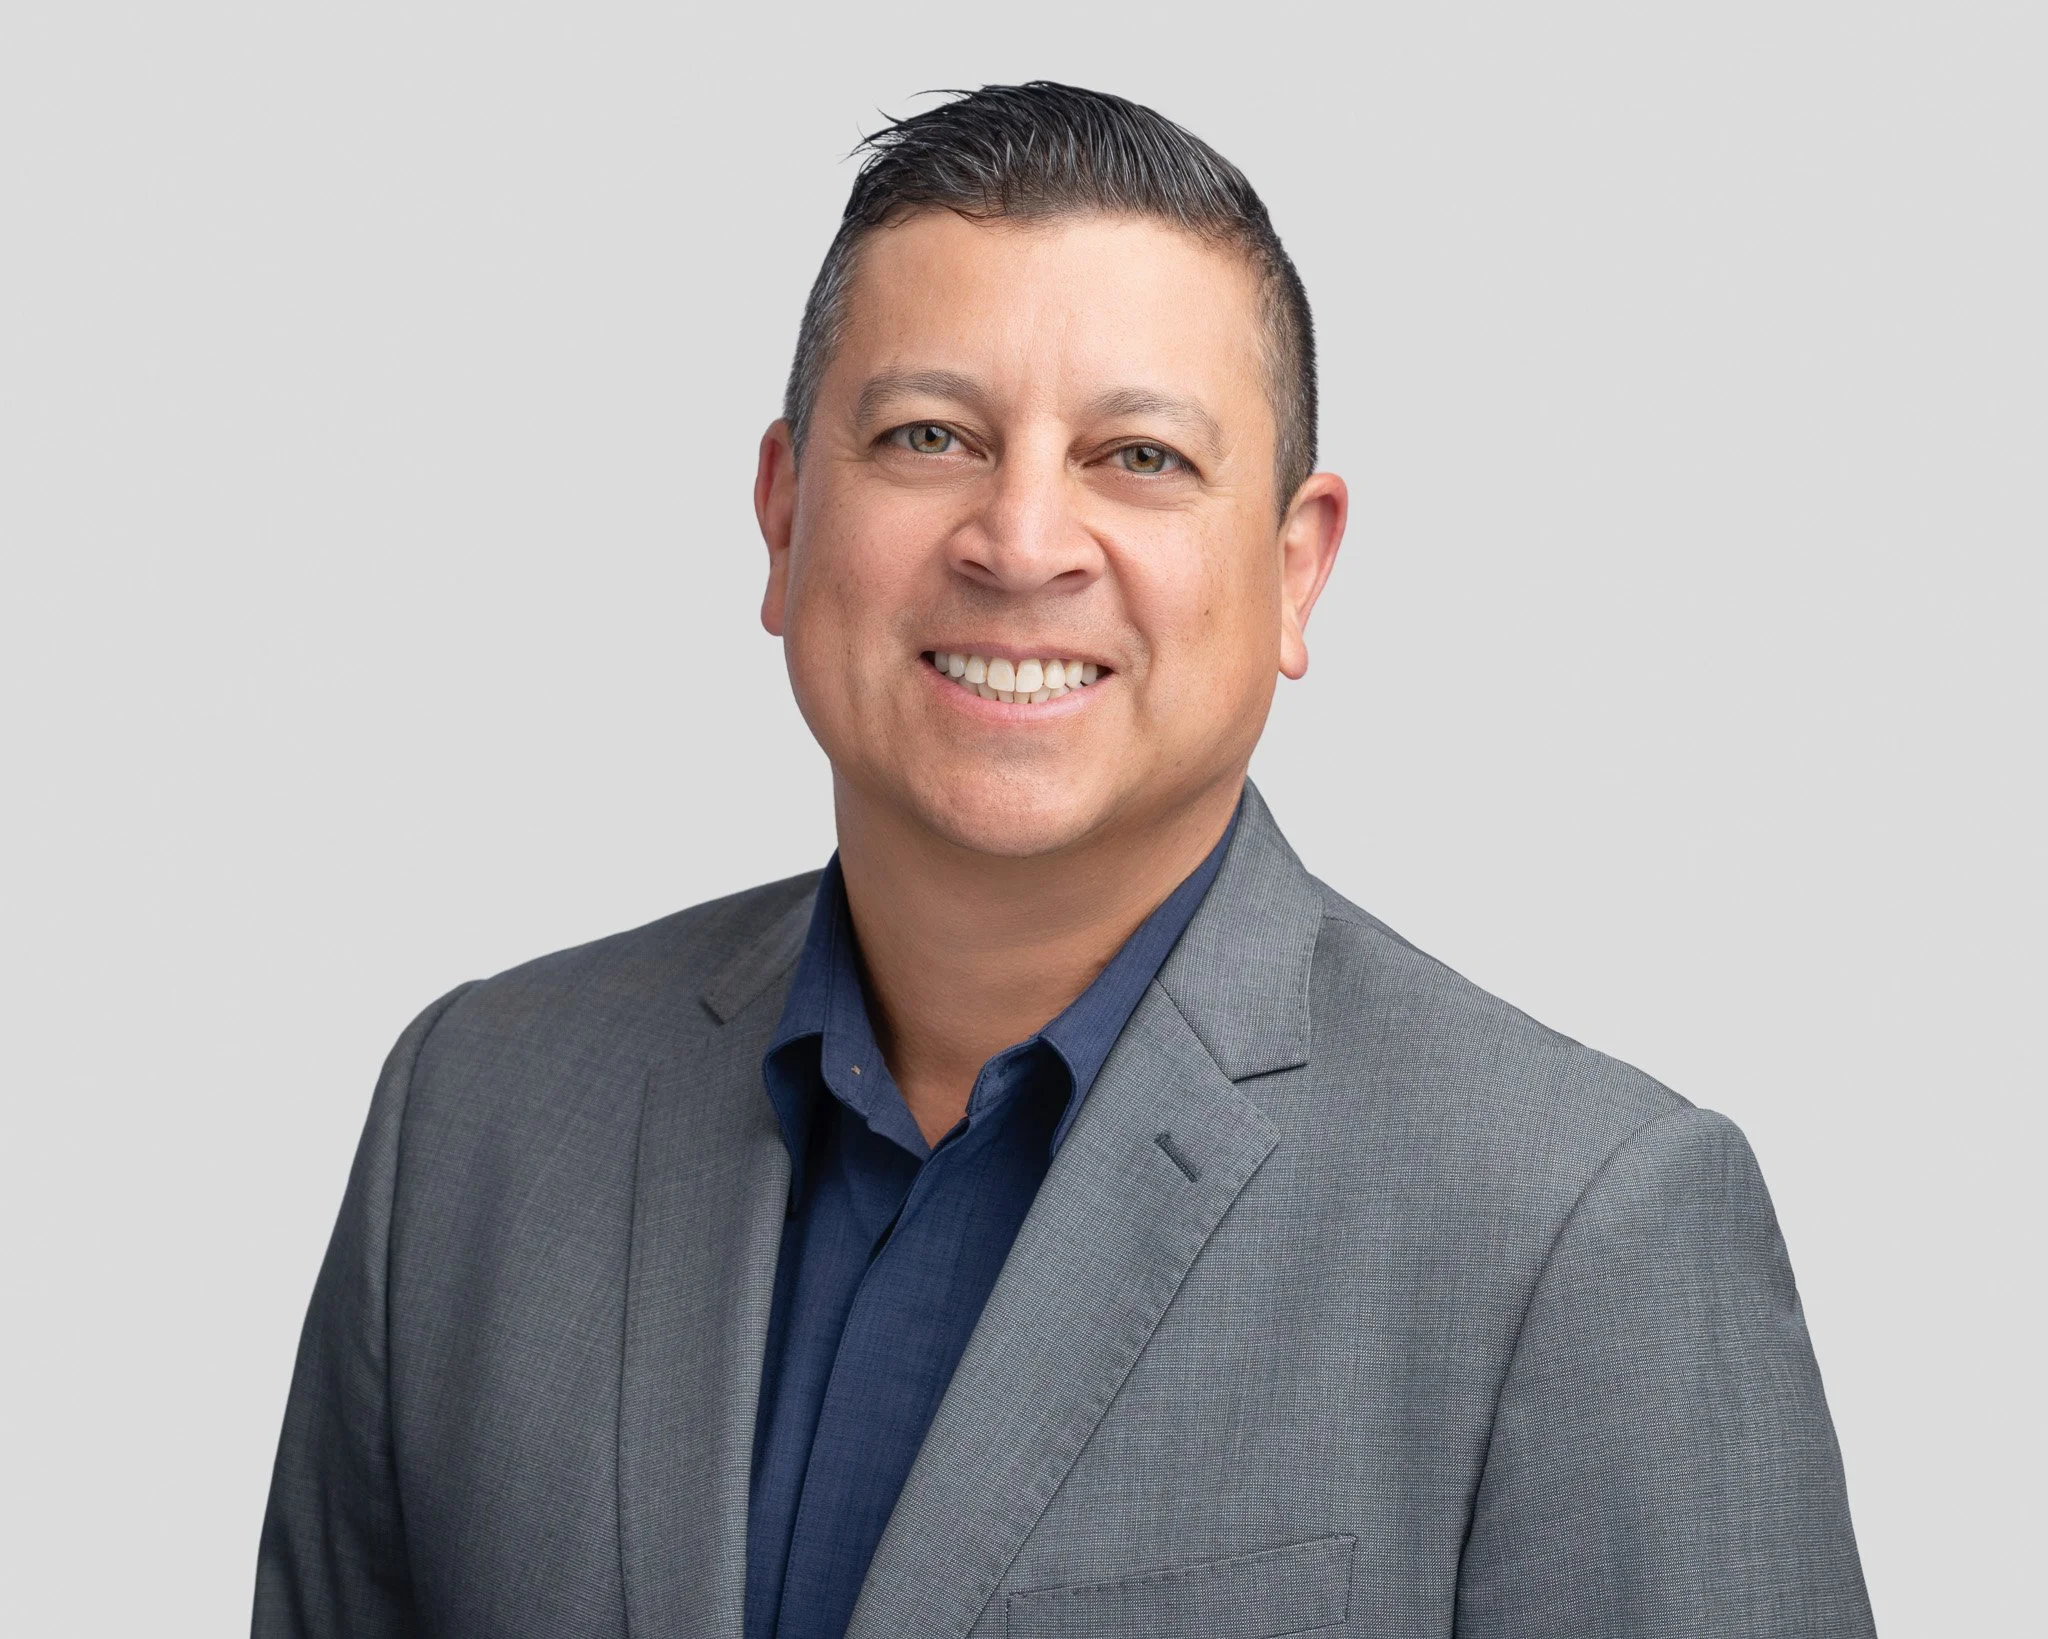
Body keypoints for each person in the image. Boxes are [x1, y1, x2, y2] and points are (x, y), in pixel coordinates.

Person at [254, 82, 1874, 1639]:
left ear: (1296, 568)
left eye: (1141, 458)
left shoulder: (1579, 1231)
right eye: (927, 434)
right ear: (781, 512)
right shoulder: (474, 1119)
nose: (1021, 540)